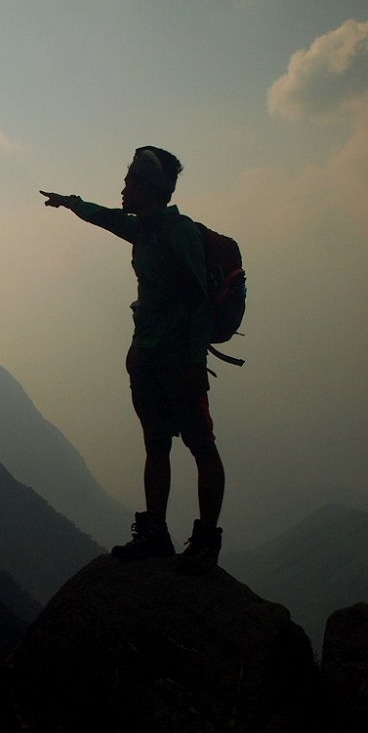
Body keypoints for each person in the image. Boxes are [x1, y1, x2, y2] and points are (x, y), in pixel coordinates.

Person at [40, 146, 225, 575]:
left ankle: (205, 542)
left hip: (180, 359)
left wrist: (197, 361)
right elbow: (105, 217)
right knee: (156, 443)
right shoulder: (143, 229)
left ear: (150, 188)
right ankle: (155, 532)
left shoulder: (178, 233)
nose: (123, 189)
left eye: (130, 182)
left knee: (201, 446)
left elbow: (200, 305)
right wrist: (71, 203)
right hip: (146, 355)